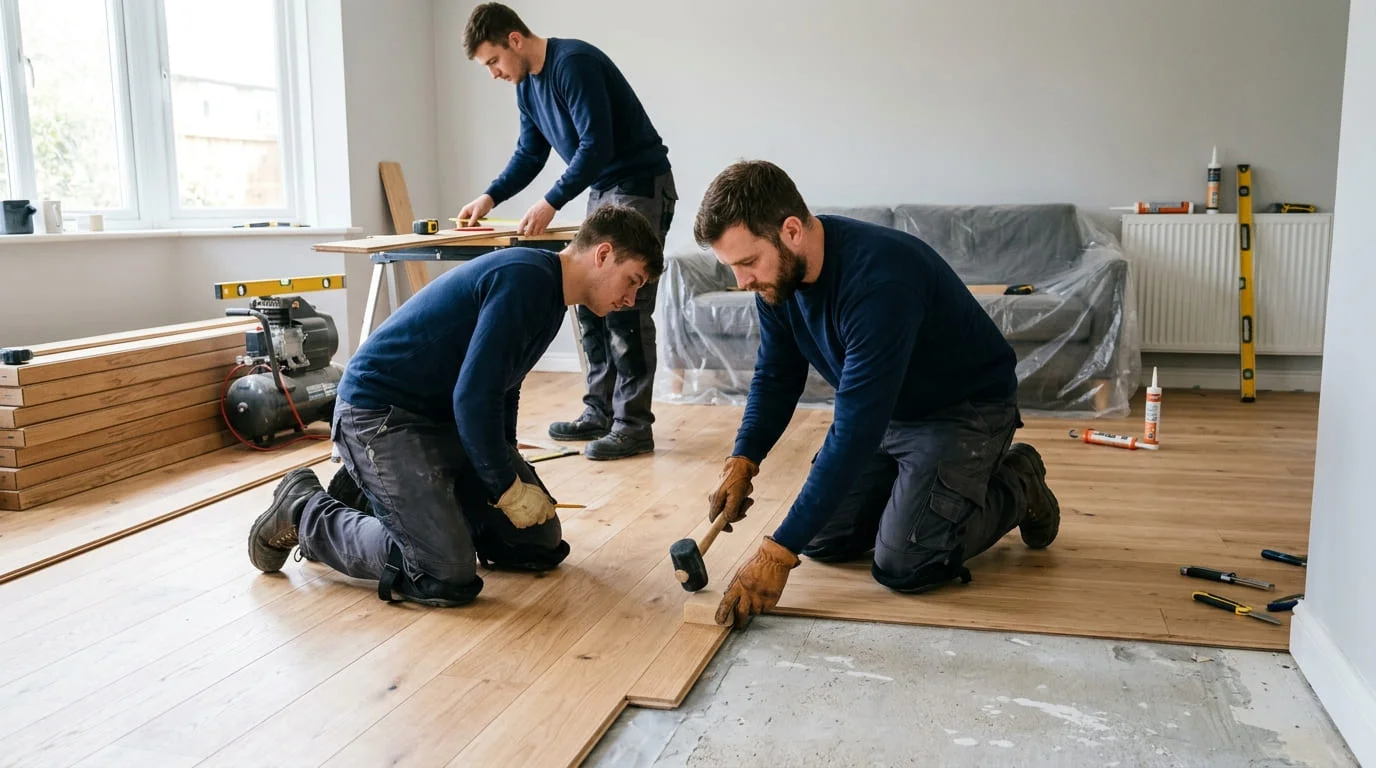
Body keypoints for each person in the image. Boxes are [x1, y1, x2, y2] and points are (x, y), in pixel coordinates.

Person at [694, 160, 1063, 628]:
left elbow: (854, 431)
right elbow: (776, 375)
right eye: (733, 266)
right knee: (822, 539)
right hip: (890, 411)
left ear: (791, 231)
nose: (743, 281)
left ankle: (1019, 480)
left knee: (906, 562)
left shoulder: (879, 281)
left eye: (747, 262)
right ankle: (917, 490)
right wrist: (743, 458)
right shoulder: (778, 283)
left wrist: (776, 554)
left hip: (962, 410)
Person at [246, 204, 664, 608]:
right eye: (633, 281)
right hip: (379, 417)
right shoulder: (526, 279)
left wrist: (506, 456)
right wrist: (503, 486)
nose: (630, 299)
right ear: (604, 255)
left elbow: (503, 386)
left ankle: (378, 495)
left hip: (439, 421)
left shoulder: (550, 296)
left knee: (536, 541)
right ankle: (303, 510)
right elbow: (473, 399)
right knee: (442, 570)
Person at [456, 3, 676, 461]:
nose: (494, 73)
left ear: (514, 40)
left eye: (493, 61)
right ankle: (598, 413)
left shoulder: (572, 64)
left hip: (638, 183)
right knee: (589, 297)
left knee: (624, 305)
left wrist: (551, 202)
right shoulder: (526, 89)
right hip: (604, 187)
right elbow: (529, 155)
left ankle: (633, 425)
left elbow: (598, 145)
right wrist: (489, 198)